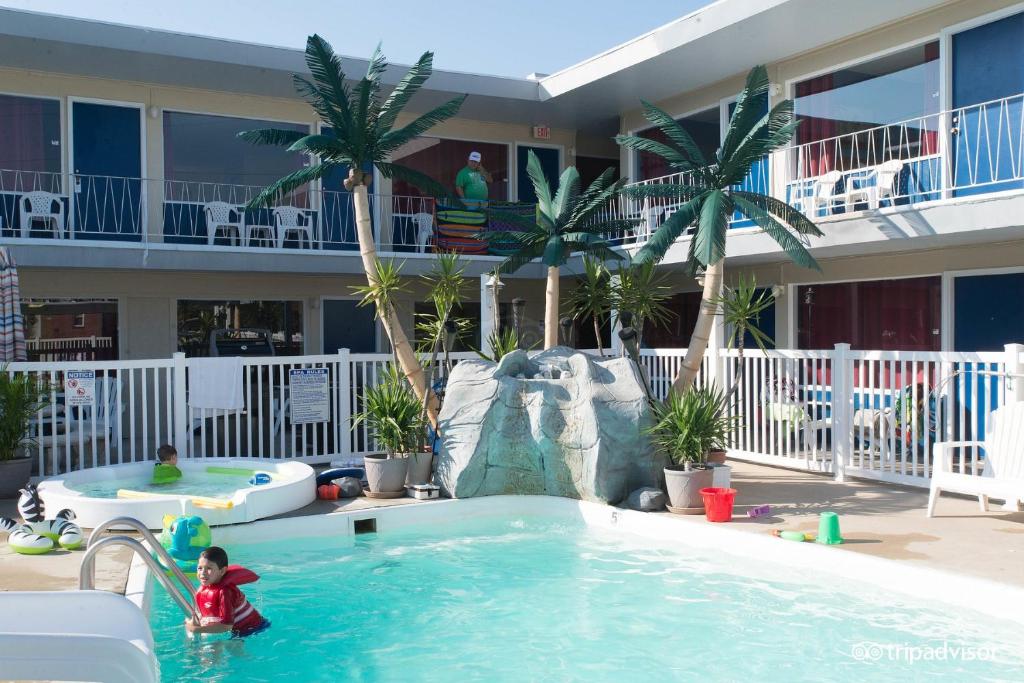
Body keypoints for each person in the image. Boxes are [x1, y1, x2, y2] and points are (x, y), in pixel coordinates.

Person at [185, 546, 270, 638]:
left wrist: (197, 630)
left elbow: (226, 626)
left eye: (209, 568)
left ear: (222, 571)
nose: (203, 572)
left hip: (252, 627)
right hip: (235, 628)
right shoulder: (204, 589)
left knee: (231, 648)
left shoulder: (225, 592)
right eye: (200, 568)